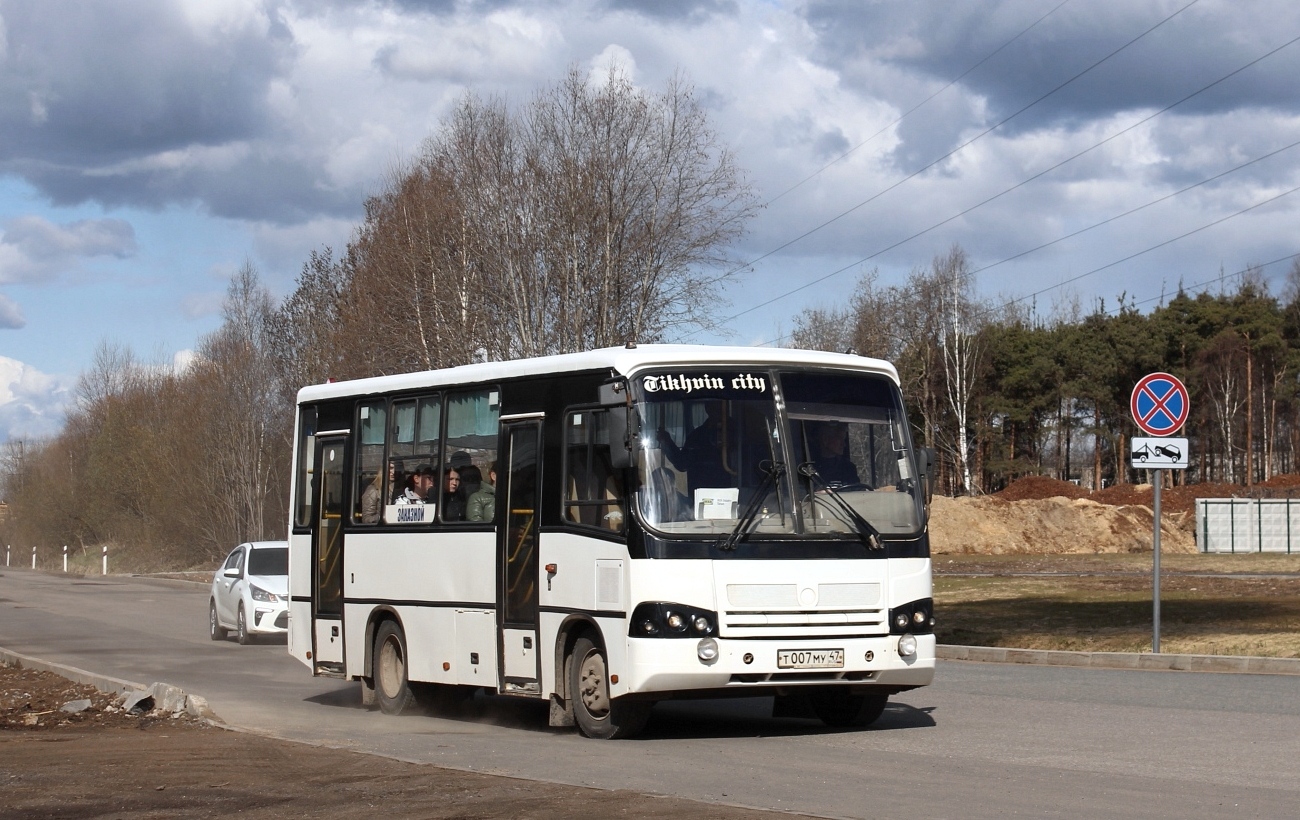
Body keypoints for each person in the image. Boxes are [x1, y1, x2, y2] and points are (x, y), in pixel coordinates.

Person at [657, 401, 732, 493]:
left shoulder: (739, 432)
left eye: (719, 407)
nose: (716, 410)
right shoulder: (697, 436)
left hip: (739, 496)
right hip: (699, 496)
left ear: (726, 407)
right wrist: (667, 442)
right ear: (707, 409)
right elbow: (682, 463)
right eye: (712, 407)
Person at [811, 421, 861, 486]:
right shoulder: (810, 469)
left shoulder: (848, 468)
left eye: (844, 439)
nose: (844, 444)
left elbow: (857, 490)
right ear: (825, 439)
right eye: (840, 439)